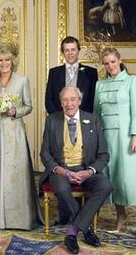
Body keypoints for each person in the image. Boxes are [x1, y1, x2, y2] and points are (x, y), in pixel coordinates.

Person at [40, 86, 112, 254]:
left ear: (79, 101)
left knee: (105, 186)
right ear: (61, 102)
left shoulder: (92, 119)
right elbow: (44, 153)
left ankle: (72, 231)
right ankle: (85, 229)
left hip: (86, 170)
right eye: (65, 100)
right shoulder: (52, 120)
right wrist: (61, 171)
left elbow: (103, 155)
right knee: (61, 189)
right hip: (61, 171)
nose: (69, 104)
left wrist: (89, 172)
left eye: (73, 99)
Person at [0, 42, 42, 230]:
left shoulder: (22, 80)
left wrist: (16, 111)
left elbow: (28, 106)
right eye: (0, 60)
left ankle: (19, 219)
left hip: (15, 132)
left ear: (13, 61)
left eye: (7, 60)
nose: (4, 63)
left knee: (17, 172)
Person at [94, 48, 136, 241]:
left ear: (119, 60)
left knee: (134, 179)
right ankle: (121, 217)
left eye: (113, 61)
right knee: (113, 178)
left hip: (127, 138)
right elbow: (96, 115)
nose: (110, 66)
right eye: (106, 63)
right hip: (106, 138)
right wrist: (95, 139)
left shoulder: (132, 81)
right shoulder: (99, 85)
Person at [44, 36, 98, 225]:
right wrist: (61, 120)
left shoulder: (91, 73)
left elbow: (91, 101)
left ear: (78, 50)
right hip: (60, 123)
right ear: (62, 52)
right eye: (66, 50)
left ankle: (78, 214)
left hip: (82, 122)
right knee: (62, 163)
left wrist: (79, 119)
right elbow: (49, 99)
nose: (70, 53)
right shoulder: (55, 72)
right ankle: (66, 216)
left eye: (73, 49)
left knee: (80, 164)